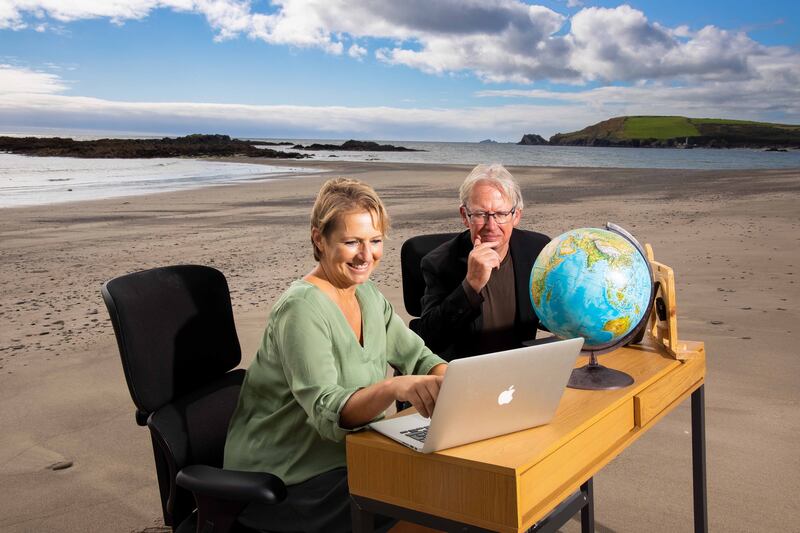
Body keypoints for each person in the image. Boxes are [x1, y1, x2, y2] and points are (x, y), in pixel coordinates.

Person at [224, 177, 447, 532]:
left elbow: (418, 357)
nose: (366, 255)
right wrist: (393, 389)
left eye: (375, 241)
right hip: (288, 478)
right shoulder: (301, 308)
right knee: (438, 503)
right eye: (351, 242)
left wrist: (461, 383)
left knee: (456, 483)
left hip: (351, 458)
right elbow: (329, 412)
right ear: (319, 238)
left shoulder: (368, 296)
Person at [418, 164, 550, 360]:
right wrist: (470, 285)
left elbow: (549, 314)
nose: (491, 225)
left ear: (516, 216)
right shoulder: (439, 263)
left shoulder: (538, 250)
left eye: (501, 214)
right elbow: (429, 339)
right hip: (467, 372)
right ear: (465, 216)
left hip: (521, 367)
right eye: (480, 214)